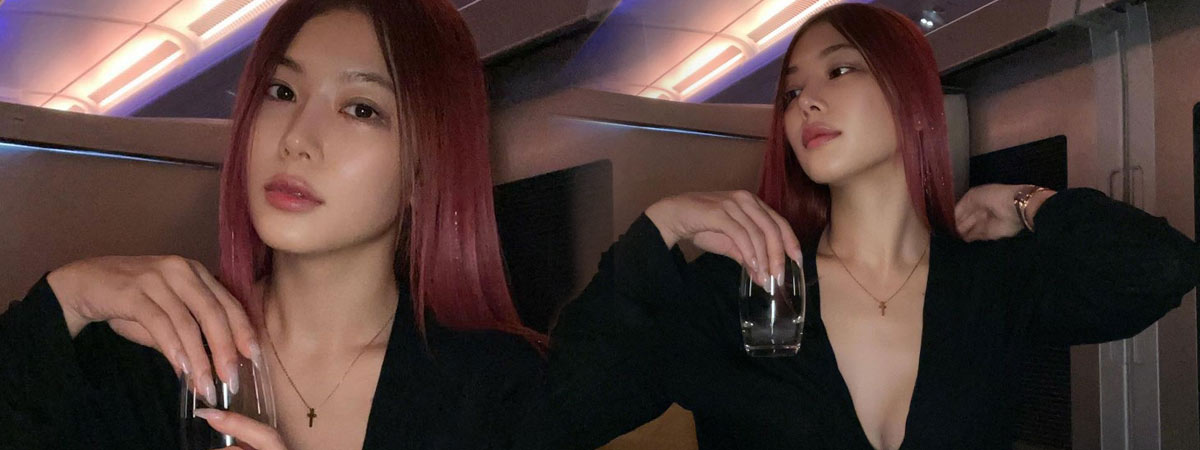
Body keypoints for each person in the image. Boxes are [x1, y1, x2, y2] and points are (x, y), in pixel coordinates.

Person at [518, 3, 1199, 450]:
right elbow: (563, 414)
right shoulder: (741, 290)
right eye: (791, 92)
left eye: (840, 70)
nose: (805, 101)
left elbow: (1161, 267)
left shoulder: (989, 283)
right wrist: (660, 229)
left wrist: (1031, 203)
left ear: (910, 95)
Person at [0, 1, 544, 449]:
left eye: (361, 109)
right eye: (282, 93)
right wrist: (67, 298)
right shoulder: (151, 355)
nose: (296, 138)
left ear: (427, 167)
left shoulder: (501, 389)